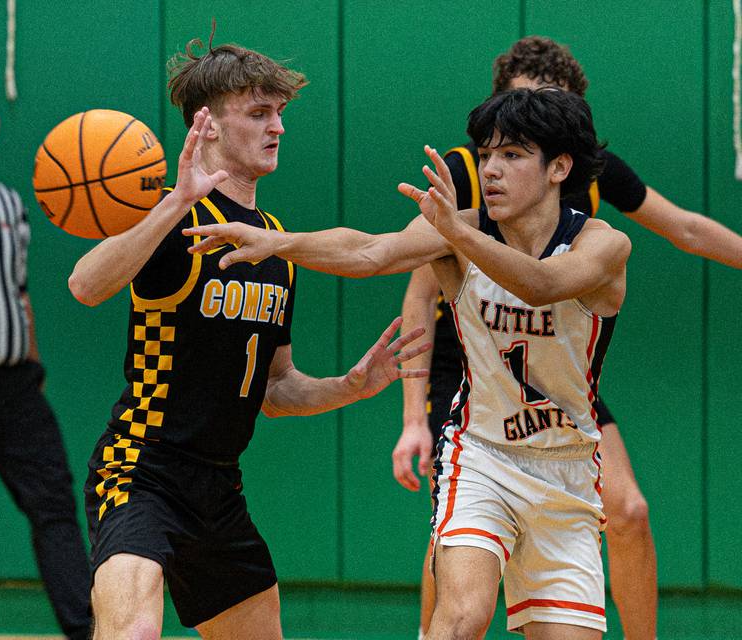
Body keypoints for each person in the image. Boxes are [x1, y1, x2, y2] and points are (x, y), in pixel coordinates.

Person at [185, 87, 630, 637]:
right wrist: (277, 241)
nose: (490, 169)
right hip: (482, 456)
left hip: (567, 469)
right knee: (462, 616)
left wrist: (455, 232)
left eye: (512, 155)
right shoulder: (459, 228)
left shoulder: (602, 246)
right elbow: (371, 252)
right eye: (485, 154)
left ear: (559, 167)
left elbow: (540, 285)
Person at [67, 38, 429, 640]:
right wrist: (176, 201)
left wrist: (351, 386)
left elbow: (277, 388)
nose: (278, 127)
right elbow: (85, 284)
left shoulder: (277, 245)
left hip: (219, 487)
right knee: (133, 632)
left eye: (280, 114)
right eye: (260, 113)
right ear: (205, 125)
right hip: (140, 471)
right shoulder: (172, 220)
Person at [393, 35, 742, 640]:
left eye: (536, 120)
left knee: (629, 509)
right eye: (505, 121)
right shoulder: (469, 175)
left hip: (559, 365)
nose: (507, 143)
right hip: (473, 363)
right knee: (459, 538)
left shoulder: (592, 180)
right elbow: (417, 290)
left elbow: (685, 226)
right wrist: (411, 416)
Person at [0, 75, 92, 639]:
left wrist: (36, 367)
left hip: (15, 391)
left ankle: (87, 632)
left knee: (55, 508)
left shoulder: (10, 203)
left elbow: (19, 294)